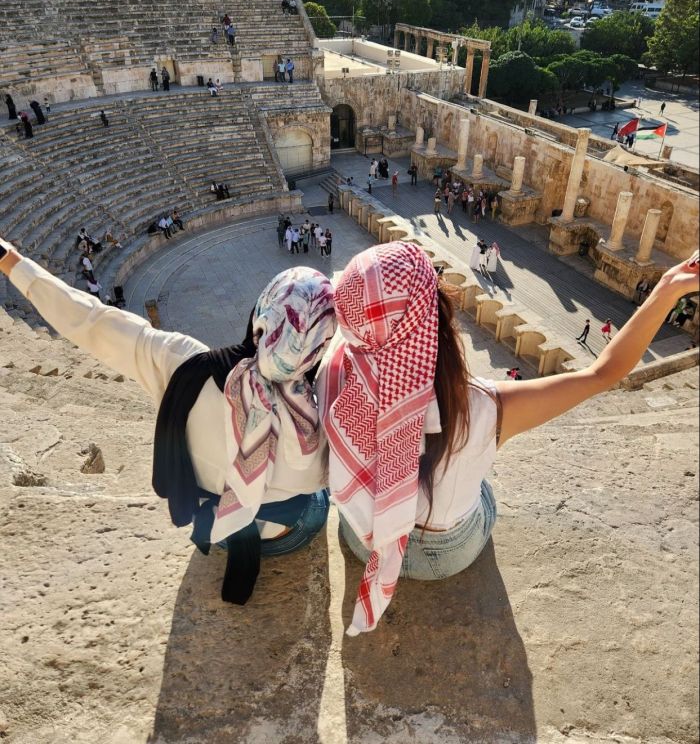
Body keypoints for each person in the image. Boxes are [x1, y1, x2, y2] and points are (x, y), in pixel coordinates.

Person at [314, 241, 700, 636]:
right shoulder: (483, 405)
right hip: (445, 554)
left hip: (365, 538)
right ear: (434, 319)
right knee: (482, 487)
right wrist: (668, 286)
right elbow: (602, 374)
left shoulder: (336, 371)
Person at [0, 241, 337, 605]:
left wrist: (14, 263)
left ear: (260, 316)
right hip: (289, 533)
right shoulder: (318, 413)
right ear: (320, 345)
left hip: (216, 526)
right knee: (324, 494)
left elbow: (93, 322)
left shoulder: (183, 363)